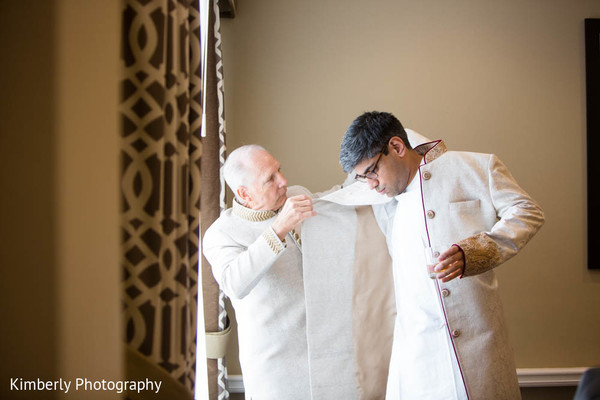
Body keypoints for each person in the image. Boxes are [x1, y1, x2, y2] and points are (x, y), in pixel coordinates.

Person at [339, 111, 545, 400]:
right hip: (418, 358)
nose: (370, 183)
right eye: (362, 177)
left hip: (477, 347)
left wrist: (479, 250)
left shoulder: (475, 167)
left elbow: (528, 212)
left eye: (372, 171)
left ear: (397, 147)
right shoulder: (381, 198)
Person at [202, 145, 315, 400]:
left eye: (279, 170)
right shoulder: (221, 234)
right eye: (270, 179)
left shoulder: (296, 197)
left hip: (324, 352)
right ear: (244, 193)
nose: (284, 181)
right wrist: (278, 229)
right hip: (276, 369)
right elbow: (234, 284)